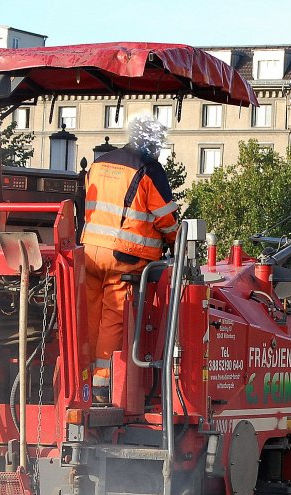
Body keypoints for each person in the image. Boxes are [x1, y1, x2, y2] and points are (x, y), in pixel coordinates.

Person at [81, 114, 178, 401]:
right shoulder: (149, 170)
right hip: (124, 257)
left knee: (89, 313)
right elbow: (166, 219)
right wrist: (176, 241)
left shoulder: (99, 164)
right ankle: (102, 382)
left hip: (89, 250)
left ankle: (81, 374)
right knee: (114, 318)